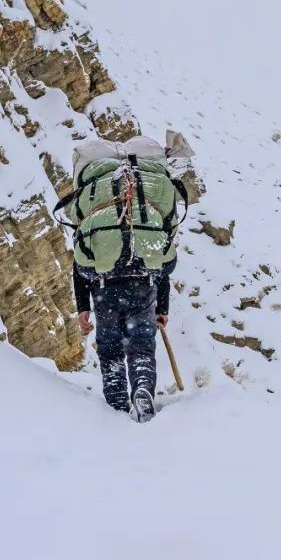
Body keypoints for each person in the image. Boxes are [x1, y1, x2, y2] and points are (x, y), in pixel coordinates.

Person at [63, 136, 186, 423]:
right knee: (142, 346)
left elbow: (80, 259)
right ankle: (142, 388)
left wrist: (83, 306)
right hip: (143, 282)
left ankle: (116, 406)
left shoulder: (93, 197)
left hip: (104, 286)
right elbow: (161, 262)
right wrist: (162, 308)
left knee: (110, 348)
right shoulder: (149, 198)